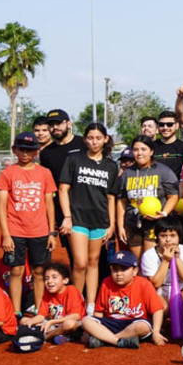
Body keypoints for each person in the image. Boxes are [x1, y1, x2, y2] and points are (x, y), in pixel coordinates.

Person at [0, 131, 58, 315]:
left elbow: (49, 204)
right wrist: (6, 235)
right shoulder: (8, 173)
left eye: (29, 150)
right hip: (15, 231)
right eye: (21, 149)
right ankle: (16, 312)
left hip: (40, 231)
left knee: (39, 271)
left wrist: (52, 233)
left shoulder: (44, 173)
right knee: (16, 271)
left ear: (36, 152)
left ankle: (39, 309)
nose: (25, 153)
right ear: (14, 150)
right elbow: (1, 207)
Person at [58, 122, 119, 310]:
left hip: (99, 220)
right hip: (77, 219)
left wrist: (111, 224)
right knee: (80, 263)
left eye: (98, 138)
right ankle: (75, 303)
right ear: (84, 139)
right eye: (90, 138)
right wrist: (67, 217)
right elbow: (63, 189)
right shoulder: (74, 159)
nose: (94, 142)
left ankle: (91, 304)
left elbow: (111, 198)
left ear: (105, 139)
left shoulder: (111, 165)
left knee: (93, 262)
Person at [82, 249, 166, 349]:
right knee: (86, 321)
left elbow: (157, 310)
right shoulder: (106, 282)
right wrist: (89, 331)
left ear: (135, 271)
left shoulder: (144, 284)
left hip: (134, 323)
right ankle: (118, 341)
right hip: (112, 323)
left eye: (124, 269)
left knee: (143, 326)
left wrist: (156, 332)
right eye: (115, 269)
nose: (119, 274)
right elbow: (99, 311)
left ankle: (105, 340)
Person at [116, 136, 180, 259]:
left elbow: (173, 196)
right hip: (133, 223)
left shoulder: (163, 171)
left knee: (150, 261)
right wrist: (120, 226)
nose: (139, 153)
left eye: (143, 149)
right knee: (138, 262)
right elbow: (122, 201)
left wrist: (164, 213)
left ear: (151, 151)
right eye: (136, 150)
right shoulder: (127, 173)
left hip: (155, 223)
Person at [39, 109, 86, 260]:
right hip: (62, 207)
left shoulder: (84, 144)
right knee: (73, 253)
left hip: (86, 204)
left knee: (96, 253)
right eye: (51, 125)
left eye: (58, 123)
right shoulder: (47, 152)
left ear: (69, 124)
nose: (55, 128)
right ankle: (77, 284)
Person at [19, 262, 85, 344]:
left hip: (72, 325)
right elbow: (41, 315)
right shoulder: (47, 293)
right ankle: (58, 335)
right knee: (24, 320)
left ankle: (45, 337)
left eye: (54, 277)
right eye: (46, 278)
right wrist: (32, 321)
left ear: (65, 280)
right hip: (54, 325)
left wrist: (51, 322)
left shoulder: (71, 290)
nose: (49, 281)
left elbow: (76, 316)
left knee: (69, 324)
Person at [140, 219, 183, 303]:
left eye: (172, 236)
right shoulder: (149, 255)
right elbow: (156, 284)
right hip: (160, 294)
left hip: (181, 292)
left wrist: (177, 258)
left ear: (179, 237)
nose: (168, 240)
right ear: (157, 237)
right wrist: (165, 260)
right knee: (162, 306)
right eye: (163, 236)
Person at [150, 110, 183, 179]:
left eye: (169, 124)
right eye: (161, 124)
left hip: (178, 188)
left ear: (177, 126)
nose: (165, 127)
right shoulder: (150, 147)